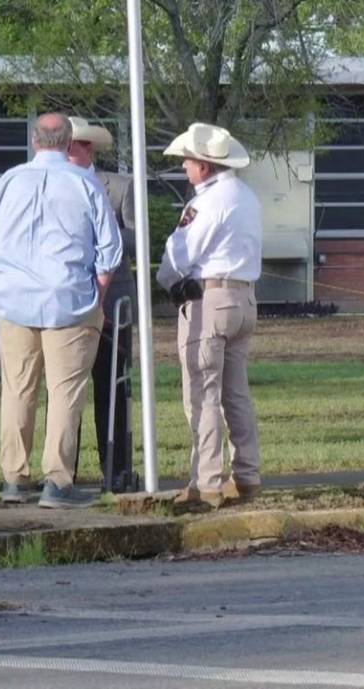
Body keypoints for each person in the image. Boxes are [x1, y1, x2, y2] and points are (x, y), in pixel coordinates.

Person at [0, 113, 123, 509]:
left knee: (17, 390)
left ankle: (14, 477)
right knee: (64, 393)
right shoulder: (85, 183)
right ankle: (57, 480)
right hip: (69, 298)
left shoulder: (9, 181)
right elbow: (109, 250)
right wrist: (99, 292)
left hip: (14, 300)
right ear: (67, 140)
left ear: (34, 140)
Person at [156, 122, 263, 510]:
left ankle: (208, 483)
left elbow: (181, 255)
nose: (184, 166)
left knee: (203, 394)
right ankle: (247, 475)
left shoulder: (207, 202)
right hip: (244, 300)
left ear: (205, 164)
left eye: (188, 159)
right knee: (236, 394)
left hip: (210, 301)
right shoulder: (247, 196)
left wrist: (163, 279)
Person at [66, 116, 139, 494]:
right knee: (68, 390)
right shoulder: (54, 186)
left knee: (114, 388)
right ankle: (65, 474)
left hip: (114, 302)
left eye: (72, 143)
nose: (65, 150)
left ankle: (118, 471)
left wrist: (101, 227)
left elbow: (137, 238)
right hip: (71, 302)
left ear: (87, 148)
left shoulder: (119, 186)